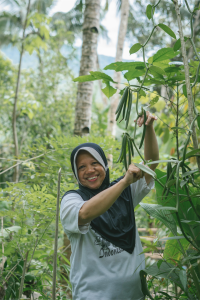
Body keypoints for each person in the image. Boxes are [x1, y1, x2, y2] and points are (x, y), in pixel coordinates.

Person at [60, 111, 159, 300]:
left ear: (105, 164)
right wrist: (123, 183)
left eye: (95, 163)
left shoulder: (126, 191)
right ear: (76, 173)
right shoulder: (71, 200)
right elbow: (86, 213)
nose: (90, 170)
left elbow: (151, 163)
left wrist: (149, 127)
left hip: (135, 296)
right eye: (82, 167)